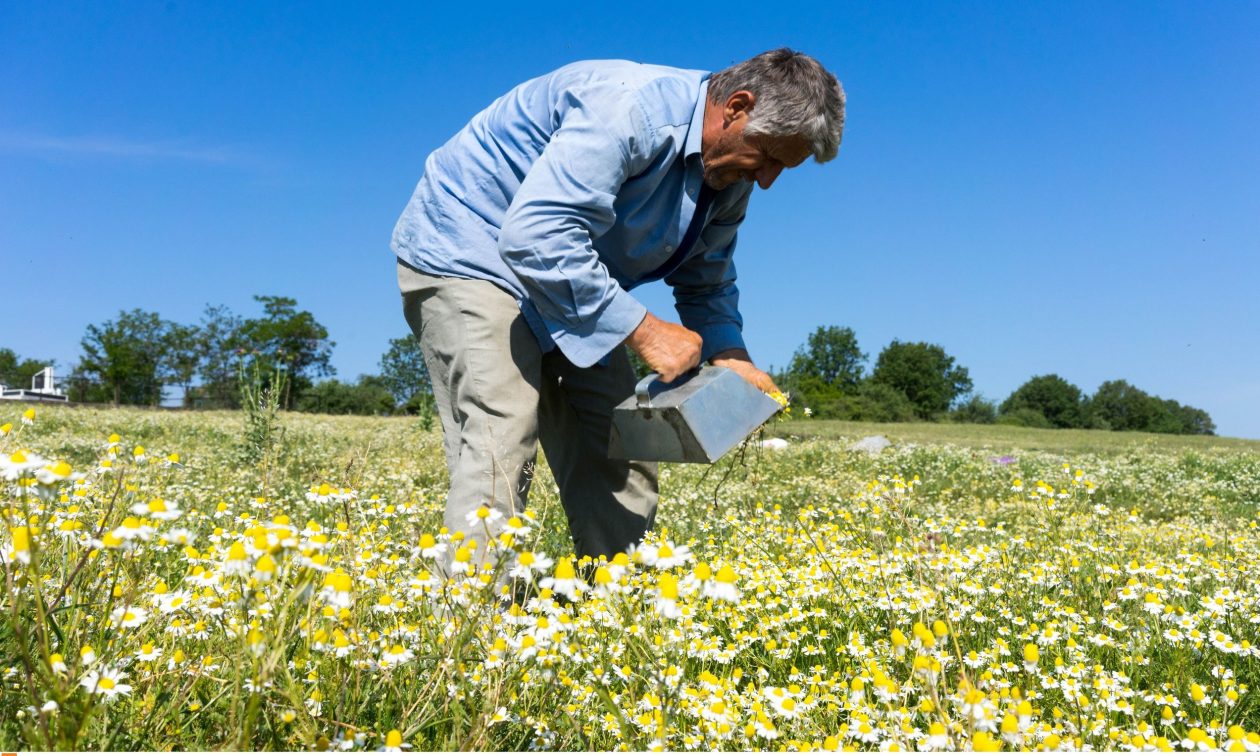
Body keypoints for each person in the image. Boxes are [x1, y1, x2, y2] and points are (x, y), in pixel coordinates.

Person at [391, 48, 845, 567]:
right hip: (473, 250)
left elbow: (707, 278)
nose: (766, 180)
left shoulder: (728, 176)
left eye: (782, 169)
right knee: (502, 432)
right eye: (768, 157)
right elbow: (535, 236)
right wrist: (648, 333)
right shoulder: (631, 111)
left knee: (619, 447)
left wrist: (731, 354)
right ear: (736, 107)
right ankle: (470, 627)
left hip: (567, 275)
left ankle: (610, 616)